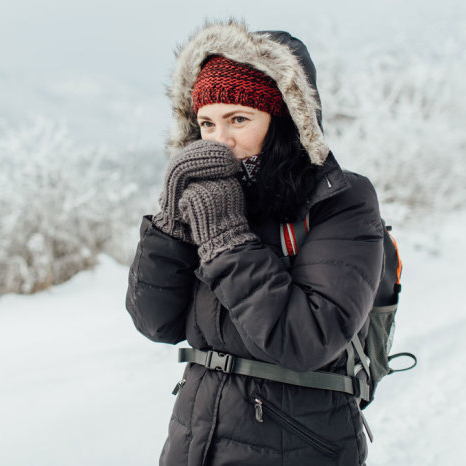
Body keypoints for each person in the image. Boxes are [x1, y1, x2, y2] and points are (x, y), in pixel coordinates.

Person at [125, 19, 384, 465]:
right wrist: (171, 222)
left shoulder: (340, 199)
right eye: (206, 123)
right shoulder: (204, 200)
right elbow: (156, 323)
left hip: (302, 444)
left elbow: (306, 341)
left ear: (283, 120)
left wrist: (226, 238)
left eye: (238, 119)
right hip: (194, 439)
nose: (219, 141)